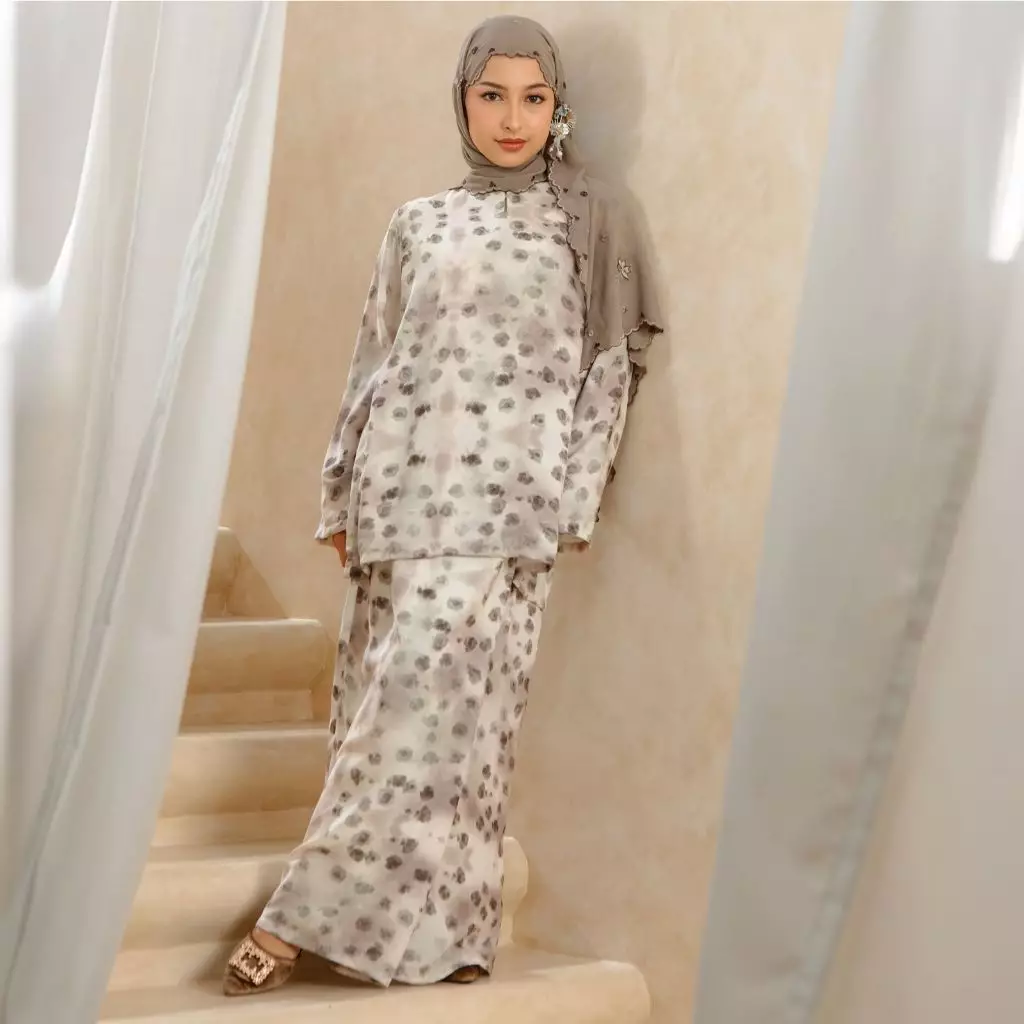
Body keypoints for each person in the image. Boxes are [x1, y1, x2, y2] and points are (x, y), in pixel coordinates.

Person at [222, 14, 661, 996]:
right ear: (462, 101)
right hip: (398, 491)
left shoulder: (587, 220)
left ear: (557, 106)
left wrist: (573, 501)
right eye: (491, 95)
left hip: (507, 506)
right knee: (396, 709)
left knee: (445, 714)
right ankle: (446, 939)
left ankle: (293, 919)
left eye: (533, 98)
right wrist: (340, 487)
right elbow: (376, 357)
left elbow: (608, 371)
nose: (512, 118)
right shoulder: (418, 221)